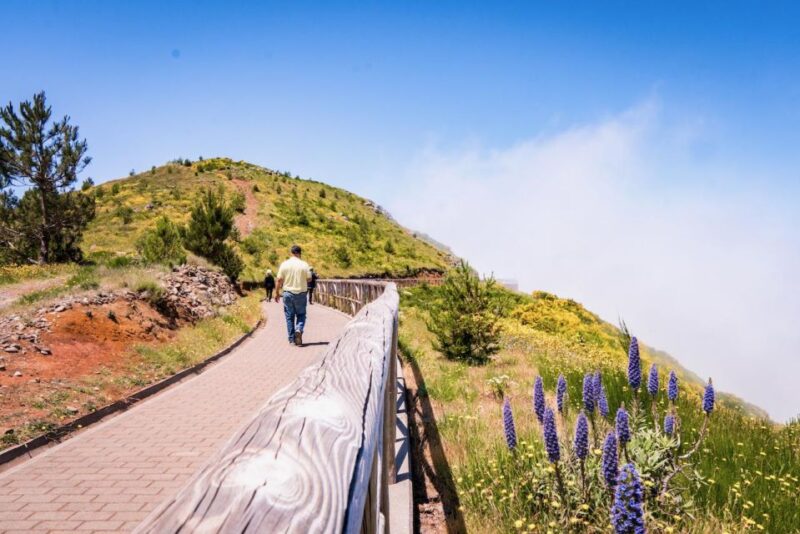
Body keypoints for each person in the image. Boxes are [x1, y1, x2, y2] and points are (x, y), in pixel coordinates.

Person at [275, 245, 311, 346]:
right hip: (301, 294)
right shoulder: (304, 265)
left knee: (289, 317)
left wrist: (277, 293)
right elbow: (309, 279)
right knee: (301, 314)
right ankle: (299, 329)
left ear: (291, 253)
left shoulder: (284, 264)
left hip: (287, 293)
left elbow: (279, 280)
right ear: (300, 253)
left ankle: (291, 339)